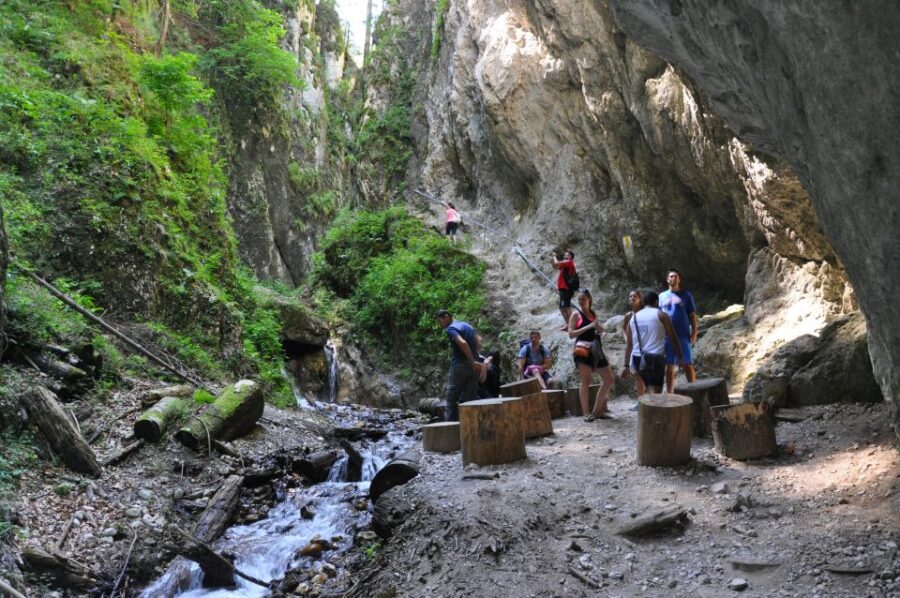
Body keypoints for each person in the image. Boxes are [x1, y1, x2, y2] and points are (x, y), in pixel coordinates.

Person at [622, 291, 683, 395]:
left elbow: (629, 344)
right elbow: (673, 337)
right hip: (655, 358)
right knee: (656, 392)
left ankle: (645, 408)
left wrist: (626, 365)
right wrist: (680, 357)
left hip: (638, 358)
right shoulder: (661, 315)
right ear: (656, 302)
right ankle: (652, 410)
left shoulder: (633, 318)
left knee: (648, 389)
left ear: (644, 302)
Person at [568, 288, 615, 421]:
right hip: (583, 351)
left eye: (584, 299)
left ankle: (597, 411)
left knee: (609, 379)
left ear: (589, 300)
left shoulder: (593, 314)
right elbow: (571, 334)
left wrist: (599, 328)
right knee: (586, 381)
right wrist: (588, 327)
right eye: (579, 299)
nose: (581, 301)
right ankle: (586, 413)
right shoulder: (575, 315)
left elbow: (594, 329)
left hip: (596, 350)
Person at [436, 310, 485, 421]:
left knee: (451, 400)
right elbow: (479, 340)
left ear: (446, 317)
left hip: (460, 366)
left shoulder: (451, 329)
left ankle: (450, 430)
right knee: (469, 401)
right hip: (473, 367)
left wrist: (472, 361)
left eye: (440, 321)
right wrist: (476, 359)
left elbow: (462, 343)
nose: (440, 325)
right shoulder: (466, 325)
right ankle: (469, 429)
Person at [658, 269, 699, 392]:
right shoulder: (661, 296)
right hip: (667, 336)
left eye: (675, 277)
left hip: (683, 335)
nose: (673, 279)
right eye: (671, 277)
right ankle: (670, 394)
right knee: (669, 366)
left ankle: (694, 390)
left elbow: (692, 315)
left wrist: (694, 332)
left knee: (687, 363)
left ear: (679, 279)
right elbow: (658, 316)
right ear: (667, 279)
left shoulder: (686, 295)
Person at [552, 250, 577, 330]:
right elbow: (555, 266)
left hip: (566, 289)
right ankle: (568, 324)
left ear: (570, 256)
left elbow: (557, 263)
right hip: (564, 289)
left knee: (566, 307)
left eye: (566, 255)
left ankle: (572, 325)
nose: (564, 257)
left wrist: (554, 256)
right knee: (562, 307)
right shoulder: (566, 265)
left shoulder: (569, 262)